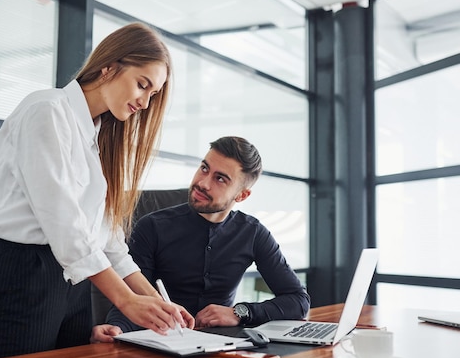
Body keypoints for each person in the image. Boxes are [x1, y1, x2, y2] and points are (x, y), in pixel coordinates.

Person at [0, 22, 194, 358]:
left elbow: (109, 243)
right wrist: (126, 301)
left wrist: (159, 304)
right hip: (25, 272)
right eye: (142, 85)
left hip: (73, 283)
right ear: (110, 66)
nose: (145, 102)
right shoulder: (47, 110)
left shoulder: (97, 139)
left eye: (153, 94)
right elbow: (63, 223)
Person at [91, 136, 310, 342]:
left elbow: (298, 300)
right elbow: (135, 298)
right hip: (160, 344)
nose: (203, 183)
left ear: (241, 195)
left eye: (220, 179)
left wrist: (240, 313)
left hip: (223, 350)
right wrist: (117, 328)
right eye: (204, 168)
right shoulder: (152, 227)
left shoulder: (252, 233)